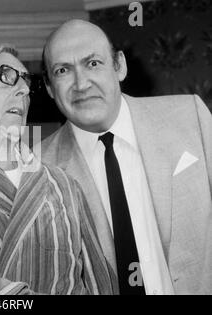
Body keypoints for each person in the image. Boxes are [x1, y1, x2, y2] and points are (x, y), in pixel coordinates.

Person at [37, 19, 212, 295]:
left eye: (93, 63)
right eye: (63, 70)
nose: (81, 84)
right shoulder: (36, 168)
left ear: (119, 66)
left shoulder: (190, 117)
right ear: (49, 87)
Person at [0, 44, 114, 295]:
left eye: (25, 81)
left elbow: (100, 283)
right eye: (6, 76)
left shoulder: (63, 185)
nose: (24, 89)